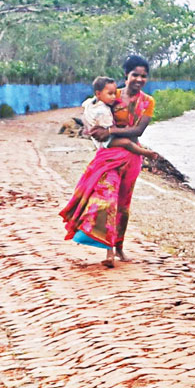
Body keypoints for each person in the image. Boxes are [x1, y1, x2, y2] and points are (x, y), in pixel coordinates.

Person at [59, 54, 156, 269]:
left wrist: (110, 131)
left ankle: (118, 246)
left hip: (132, 158)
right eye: (135, 75)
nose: (139, 80)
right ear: (126, 75)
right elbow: (93, 114)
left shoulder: (148, 102)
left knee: (123, 205)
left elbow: (139, 130)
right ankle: (109, 250)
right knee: (107, 200)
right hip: (109, 156)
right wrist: (92, 129)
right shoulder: (112, 95)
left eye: (143, 76)